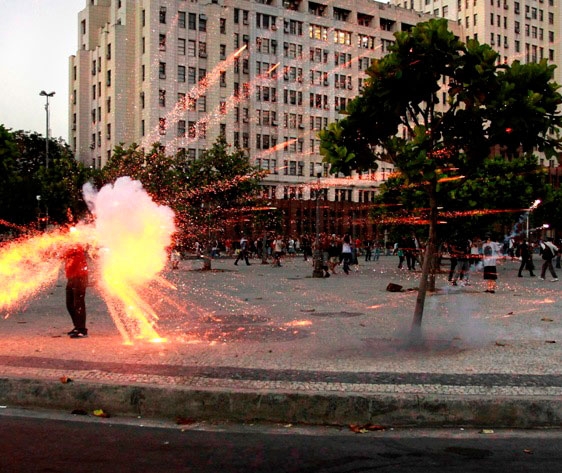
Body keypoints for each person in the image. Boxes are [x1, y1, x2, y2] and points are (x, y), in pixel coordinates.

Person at [64, 244, 89, 338]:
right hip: (71, 277)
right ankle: (77, 326)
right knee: (70, 304)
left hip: (80, 277)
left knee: (78, 303)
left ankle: (82, 329)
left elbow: (65, 253)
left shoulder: (76, 244)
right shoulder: (69, 243)